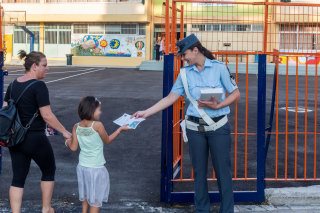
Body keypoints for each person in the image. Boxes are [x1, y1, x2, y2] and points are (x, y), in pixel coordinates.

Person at [134, 34, 240, 213]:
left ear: (195, 50)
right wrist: (146, 112)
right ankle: (202, 210)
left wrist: (219, 105)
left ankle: (227, 210)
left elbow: (235, 93)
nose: (183, 59)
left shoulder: (219, 68)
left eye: (184, 55)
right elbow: (171, 97)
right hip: (195, 129)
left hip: (218, 127)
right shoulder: (184, 74)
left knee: (223, 173)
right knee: (199, 174)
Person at [3, 50, 72, 213]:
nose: (47, 69)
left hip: (15, 139)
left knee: (18, 178)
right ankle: (46, 208)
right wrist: (64, 131)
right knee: (48, 170)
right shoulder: (39, 86)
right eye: (44, 65)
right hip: (34, 138)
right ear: (34, 66)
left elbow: (6, 110)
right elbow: (47, 115)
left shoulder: (13, 85)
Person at [66, 96, 130, 213]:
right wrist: (119, 130)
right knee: (96, 199)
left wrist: (67, 141)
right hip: (96, 167)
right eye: (98, 109)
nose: (100, 111)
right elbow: (107, 140)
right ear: (91, 110)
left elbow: (74, 147)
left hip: (82, 166)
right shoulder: (97, 125)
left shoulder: (76, 126)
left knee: (85, 193)